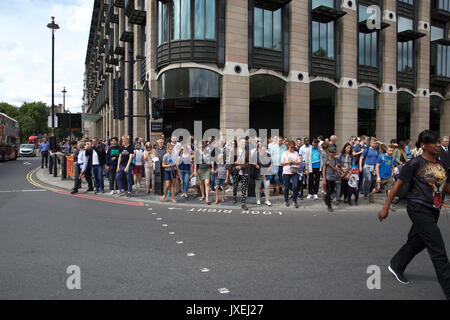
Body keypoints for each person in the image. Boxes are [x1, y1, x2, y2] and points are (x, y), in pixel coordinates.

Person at [379, 130, 450, 299]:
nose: (438, 145)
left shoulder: (441, 162)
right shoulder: (414, 164)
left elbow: (445, 186)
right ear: (424, 145)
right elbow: (397, 186)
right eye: (434, 142)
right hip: (418, 207)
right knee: (437, 248)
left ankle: (397, 264)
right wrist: (385, 207)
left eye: (439, 142)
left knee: (419, 241)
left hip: (434, 208)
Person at [281, 140, 301, 208]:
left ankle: (294, 200)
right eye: (291, 147)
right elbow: (282, 163)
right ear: (288, 146)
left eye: (293, 147)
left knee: (295, 186)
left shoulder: (296, 153)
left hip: (294, 171)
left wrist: (293, 162)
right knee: (286, 187)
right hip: (286, 171)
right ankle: (286, 200)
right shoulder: (284, 153)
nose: (292, 148)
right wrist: (288, 162)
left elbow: (299, 162)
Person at [232, 138, 250, 211]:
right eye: (242, 142)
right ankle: (234, 196)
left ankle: (243, 203)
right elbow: (230, 161)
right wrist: (234, 164)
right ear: (239, 143)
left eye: (244, 143)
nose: (243, 144)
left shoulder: (247, 152)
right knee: (235, 185)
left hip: (244, 171)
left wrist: (241, 166)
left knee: (244, 187)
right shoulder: (234, 151)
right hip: (236, 171)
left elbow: (248, 163)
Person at [252, 143, 272, 207]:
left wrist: (269, 168)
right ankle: (258, 199)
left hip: (266, 171)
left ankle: (267, 200)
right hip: (258, 172)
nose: (264, 151)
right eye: (262, 150)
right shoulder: (255, 155)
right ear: (259, 149)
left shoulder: (268, 155)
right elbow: (252, 161)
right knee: (258, 186)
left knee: (267, 186)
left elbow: (271, 163)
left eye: (264, 150)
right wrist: (255, 165)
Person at [323, 143, 338, 212]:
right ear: (329, 152)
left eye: (334, 152)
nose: (333, 154)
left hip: (333, 177)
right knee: (329, 192)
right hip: (328, 177)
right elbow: (324, 168)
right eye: (332, 152)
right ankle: (329, 205)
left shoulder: (335, 160)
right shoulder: (326, 158)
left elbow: (336, 169)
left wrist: (331, 165)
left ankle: (326, 198)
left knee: (332, 190)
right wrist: (324, 179)